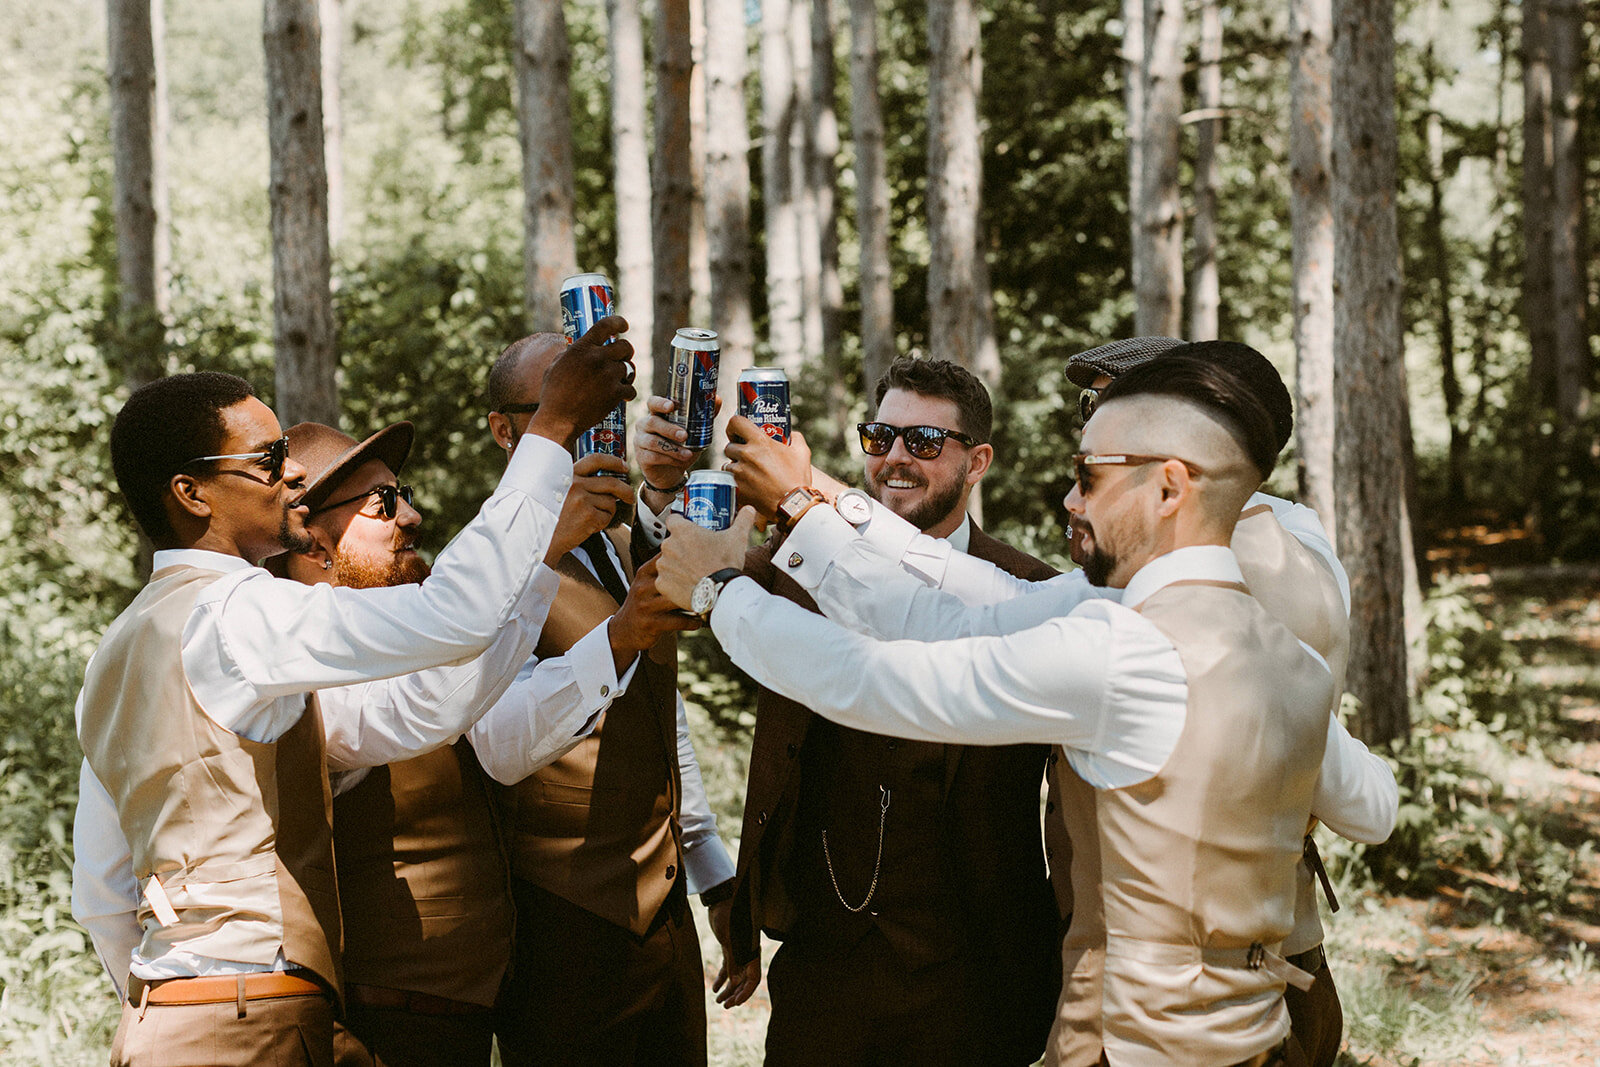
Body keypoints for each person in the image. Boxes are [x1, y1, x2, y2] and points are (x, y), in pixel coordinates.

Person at [655, 351, 1374, 1065]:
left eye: (1090, 473)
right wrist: (813, 496)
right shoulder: (1274, 651)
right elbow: (1373, 808)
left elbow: (874, 680)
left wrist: (718, 590)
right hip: (1258, 1026)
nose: (1071, 500)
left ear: (1170, 482)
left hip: (1140, 1041)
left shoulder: (1124, 645)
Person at [69, 320, 632, 1067]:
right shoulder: (242, 614)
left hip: (165, 1018)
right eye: (269, 459)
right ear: (191, 492)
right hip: (250, 1015)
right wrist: (552, 431)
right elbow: (452, 615)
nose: (292, 476)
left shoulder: (120, 648)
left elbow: (104, 894)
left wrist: (174, 997)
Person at [635, 357, 1061, 1065]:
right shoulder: (793, 567)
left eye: (923, 441)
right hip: (823, 969)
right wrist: (658, 489)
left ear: (977, 460)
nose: (895, 458)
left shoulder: (1030, 592)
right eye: (880, 436)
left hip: (976, 975)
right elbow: (675, 577)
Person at [270, 418, 660, 1067]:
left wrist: (620, 637)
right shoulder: (300, 671)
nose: (414, 516)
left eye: (405, 492)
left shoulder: (405, 631)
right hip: (382, 1023)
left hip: (466, 1012)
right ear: (311, 536)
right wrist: (538, 547)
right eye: (384, 502)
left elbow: (501, 734)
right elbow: (431, 705)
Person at [483, 333, 737, 1067]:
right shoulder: (483, 562)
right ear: (506, 431)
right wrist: (619, 635)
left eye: (604, 410)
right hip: (560, 927)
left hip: (665, 923)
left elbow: (662, 711)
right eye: (567, 408)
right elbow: (497, 738)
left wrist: (711, 871)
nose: (593, 428)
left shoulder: (619, 541)